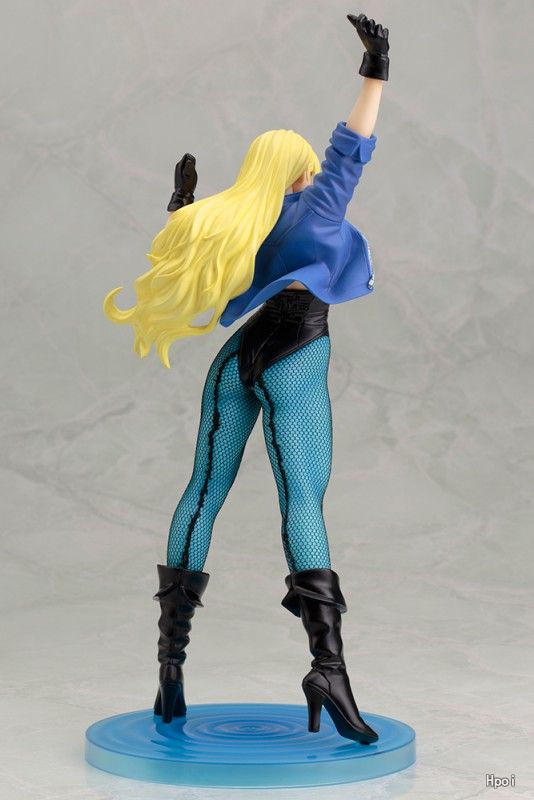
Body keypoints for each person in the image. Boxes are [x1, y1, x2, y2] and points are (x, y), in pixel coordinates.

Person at [104, 12, 389, 745]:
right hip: (297, 354)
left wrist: (181, 205)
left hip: (239, 356)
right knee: (303, 502)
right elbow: (353, 145)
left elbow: (185, 238)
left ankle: (169, 669)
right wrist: (375, 70)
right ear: (300, 171)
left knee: (202, 491)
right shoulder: (316, 203)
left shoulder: (242, 220)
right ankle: (328, 669)